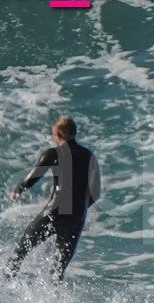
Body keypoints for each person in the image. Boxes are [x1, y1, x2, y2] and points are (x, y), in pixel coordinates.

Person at [9, 116, 102, 279]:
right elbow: (96, 193)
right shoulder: (90, 157)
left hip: (55, 211)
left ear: (59, 134)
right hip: (76, 218)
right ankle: (52, 302)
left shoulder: (54, 153)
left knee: (22, 250)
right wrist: (78, 209)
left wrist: (18, 189)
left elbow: (33, 176)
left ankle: (4, 284)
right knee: (58, 270)